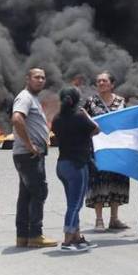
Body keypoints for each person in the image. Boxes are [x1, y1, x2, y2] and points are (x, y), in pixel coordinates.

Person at [12, 68, 57, 248]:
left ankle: (22, 236)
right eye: (36, 77)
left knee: (26, 195)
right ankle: (35, 235)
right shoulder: (25, 97)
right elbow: (17, 119)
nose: (40, 80)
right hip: (29, 155)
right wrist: (30, 145)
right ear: (27, 79)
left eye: (43, 78)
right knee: (39, 192)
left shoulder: (33, 99)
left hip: (27, 155)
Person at [51, 87, 100, 252]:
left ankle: (77, 237)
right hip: (77, 165)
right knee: (75, 205)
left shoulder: (57, 119)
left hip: (62, 165)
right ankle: (67, 241)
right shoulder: (80, 116)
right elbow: (96, 128)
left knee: (72, 202)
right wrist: (86, 115)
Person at [83, 72, 130, 231]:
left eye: (104, 80)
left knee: (117, 181)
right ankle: (99, 219)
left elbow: (127, 122)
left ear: (112, 84)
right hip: (97, 149)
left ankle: (114, 218)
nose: (101, 83)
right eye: (98, 81)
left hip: (117, 148)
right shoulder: (90, 102)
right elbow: (83, 122)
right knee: (98, 181)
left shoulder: (121, 101)